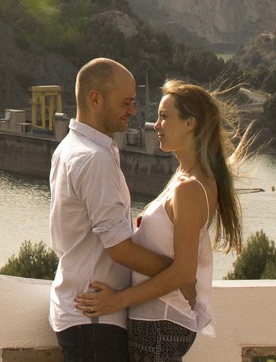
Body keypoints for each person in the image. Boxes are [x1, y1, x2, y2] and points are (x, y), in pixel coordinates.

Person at [76, 80, 251, 362]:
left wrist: (117, 300)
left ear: (190, 123)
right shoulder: (186, 179)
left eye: (164, 116)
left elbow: (183, 272)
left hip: (161, 322)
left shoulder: (190, 188)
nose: (155, 125)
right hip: (159, 321)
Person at [49, 58, 173, 362]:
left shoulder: (70, 147)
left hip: (82, 314)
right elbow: (119, 249)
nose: (132, 111)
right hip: (94, 322)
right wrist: (178, 275)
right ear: (95, 99)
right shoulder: (94, 159)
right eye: (126, 102)